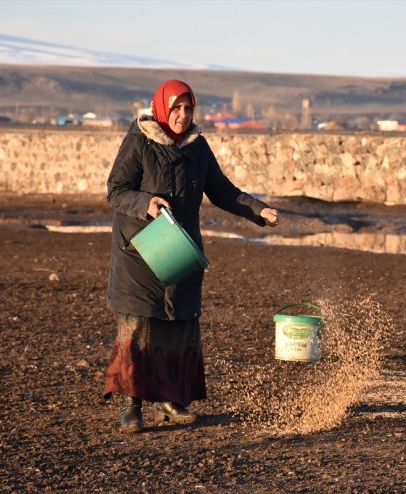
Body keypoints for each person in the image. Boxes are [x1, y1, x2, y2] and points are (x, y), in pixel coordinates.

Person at [102, 79, 278, 433]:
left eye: (189, 108)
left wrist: (258, 210)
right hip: (140, 252)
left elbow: (223, 190)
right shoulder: (139, 140)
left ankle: (170, 400)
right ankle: (131, 406)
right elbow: (116, 191)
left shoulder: (198, 147)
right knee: (137, 326)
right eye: (176, 108)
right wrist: (145, 203)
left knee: (178, 325)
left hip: (180, 249)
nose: (183, 115)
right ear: (162, 108)